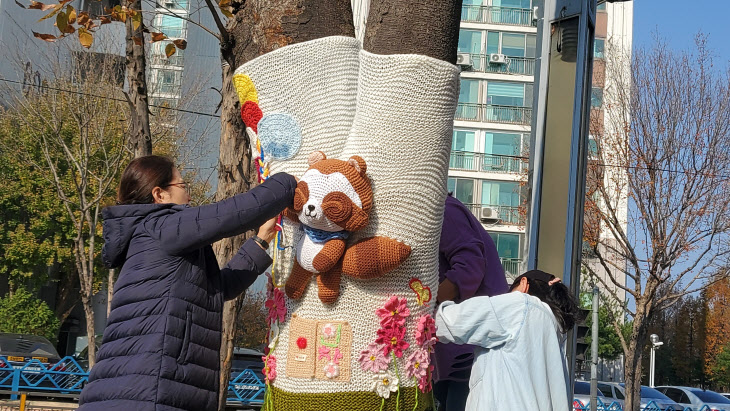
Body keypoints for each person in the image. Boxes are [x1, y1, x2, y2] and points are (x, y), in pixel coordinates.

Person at [77, 155, 297, 411]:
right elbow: (232, 213)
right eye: (183, 186)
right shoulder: (160, 225)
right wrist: (290, 181)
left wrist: (261, 241)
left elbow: (216, 289)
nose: (189, 196)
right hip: (150, 391)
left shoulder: (150, 239)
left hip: (138, 389)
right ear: (159, 195)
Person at [434, 269, 579, 411]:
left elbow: (453, 321)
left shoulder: (521, 304)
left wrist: (424, 311)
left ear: (523, 284)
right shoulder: (556, 333)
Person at [433, 194, 509, 411]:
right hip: (459, 349)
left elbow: (469, 267)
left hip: (468, 348)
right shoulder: (441, 209)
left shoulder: (444, 210)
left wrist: (427, 305)